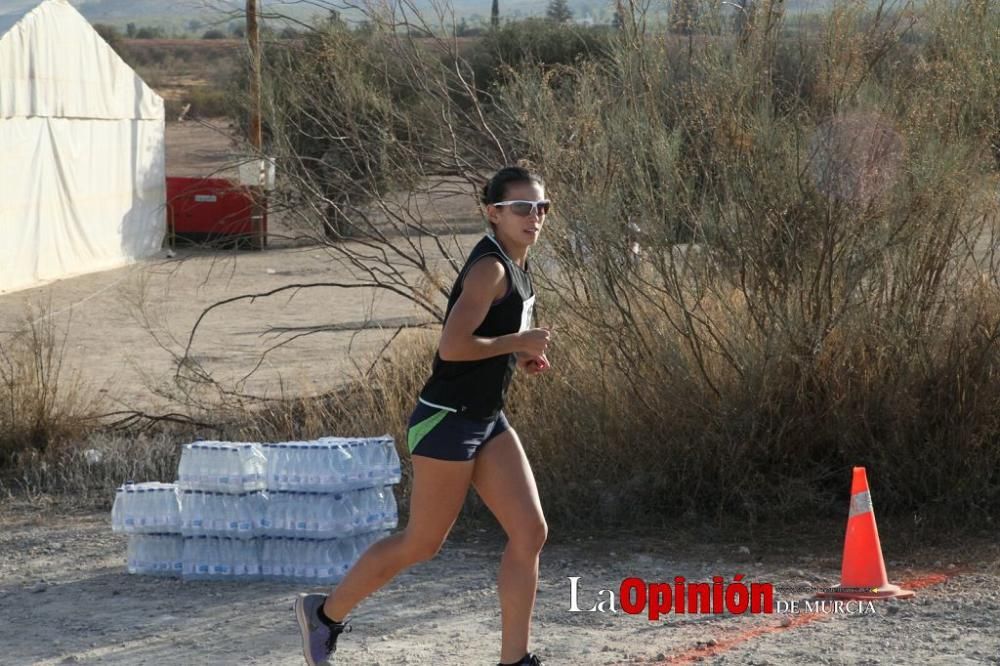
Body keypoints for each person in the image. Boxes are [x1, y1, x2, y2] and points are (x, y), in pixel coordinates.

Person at [295, 165, 553, 666]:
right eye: (522, 207)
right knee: (422, 543)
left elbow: (489, 340)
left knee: (531, 532)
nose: (534, 217)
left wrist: (517, 355)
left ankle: (514, 661)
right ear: (493, 214)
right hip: (446, 420)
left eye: (541, 208)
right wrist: (517, 342)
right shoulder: (491, 269)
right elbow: (453, 347)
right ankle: (324, 615)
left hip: (485, 418)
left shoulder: (519, 266)